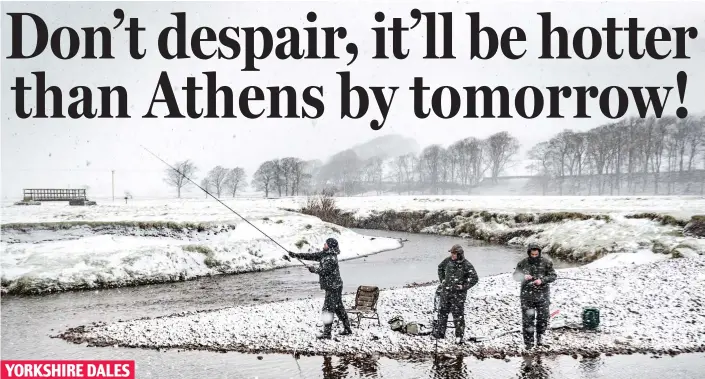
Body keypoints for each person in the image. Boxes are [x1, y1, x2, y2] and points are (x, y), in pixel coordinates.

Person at [284, 237, 352, 339]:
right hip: (335, 286)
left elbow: (324, 271)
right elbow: (312, 256)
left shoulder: (331, 258)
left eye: (326, 244)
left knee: (327, 310)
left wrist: (313, 269)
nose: (324, 245)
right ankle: (347, 329)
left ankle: (327, 334)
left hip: (333, 287)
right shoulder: (325, 254)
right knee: (338, 308)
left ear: (330, 246)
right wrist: (296, 255)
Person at [512, 243, 557, 350]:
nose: (534, 256)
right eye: (532, 254)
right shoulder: (522, 263)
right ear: (529, 253)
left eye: (536, 254)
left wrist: (542, 281)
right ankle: (528, 343)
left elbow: (553, 276)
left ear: (539, 253)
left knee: (543, 319)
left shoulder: (547, 262)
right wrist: (523, 276)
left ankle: (540, 338)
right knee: (528, 320)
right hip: (527, 297)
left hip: (543, 296)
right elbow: (515, 276)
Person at [432, 244, 479, 344]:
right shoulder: (448, 261)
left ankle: (459, 336)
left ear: (459, 254)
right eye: (451, 253)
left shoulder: (467, 265)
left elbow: (475, 279)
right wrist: (443, 280)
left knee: (458, 316)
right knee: (442, 313)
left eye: (454, 254)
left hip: (458, 296)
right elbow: (440, 267)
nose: (452, 255)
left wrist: (464, 287)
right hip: (446, 293)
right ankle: (440, 333)